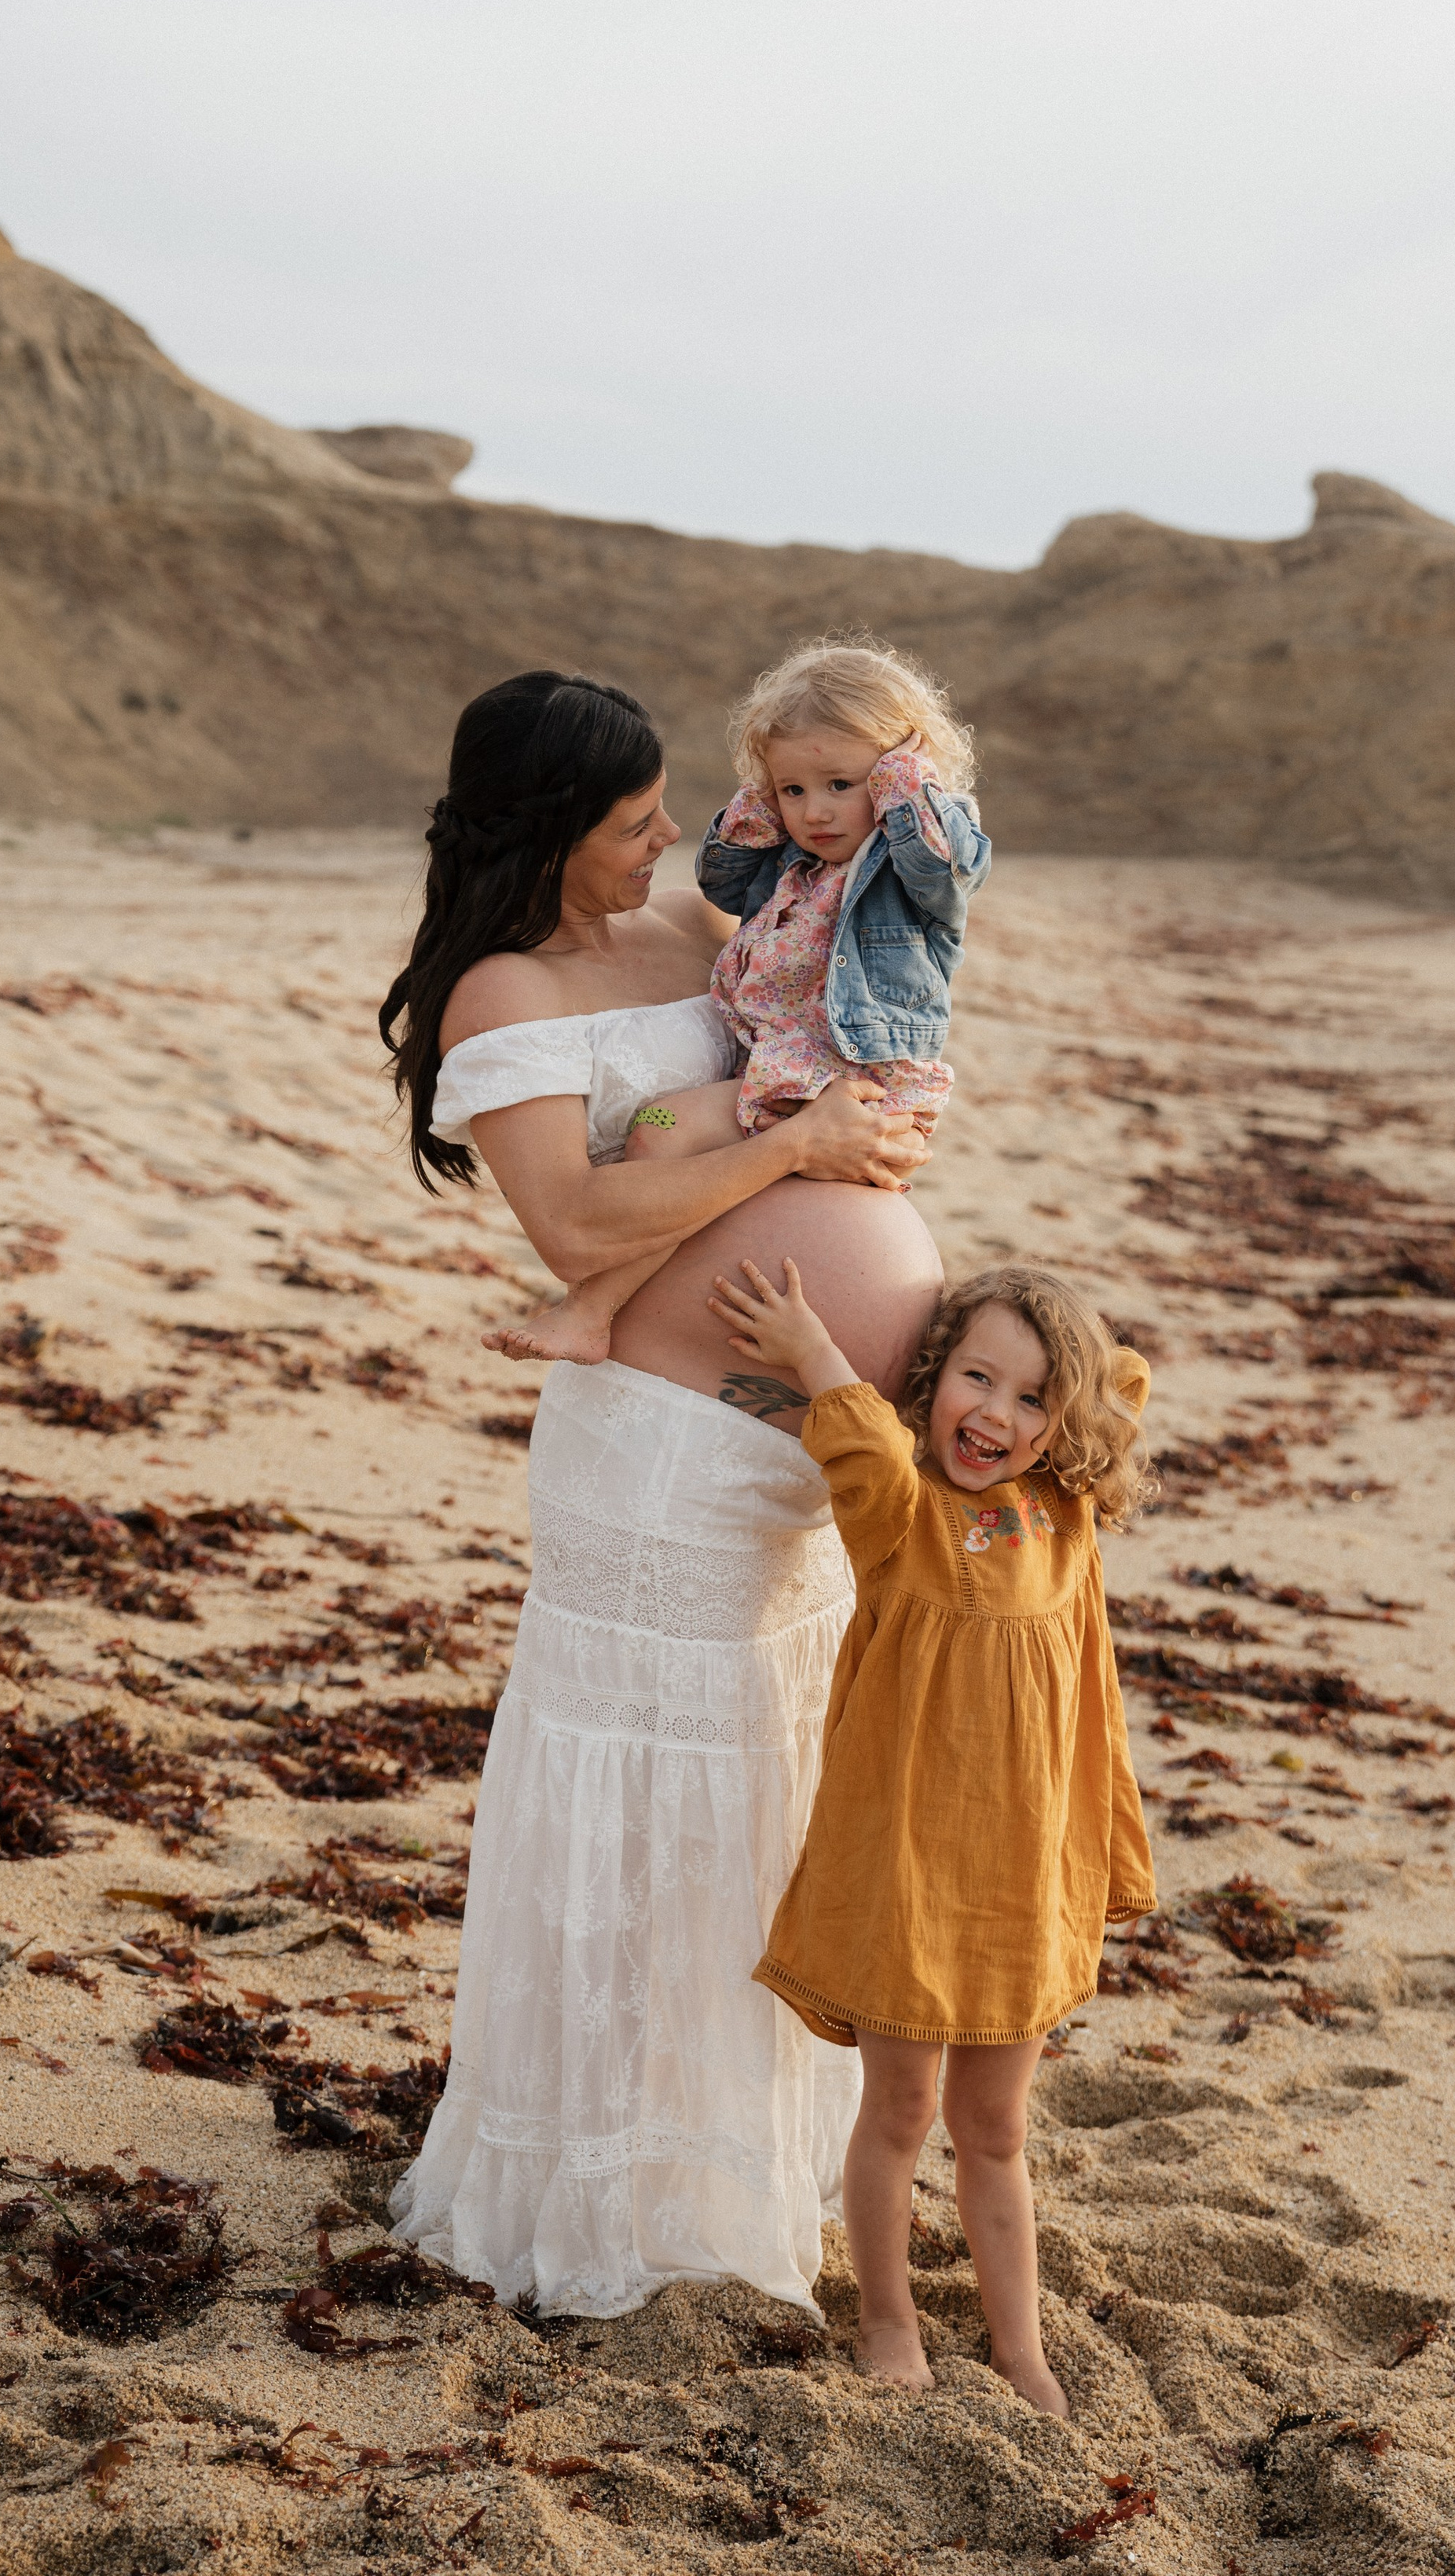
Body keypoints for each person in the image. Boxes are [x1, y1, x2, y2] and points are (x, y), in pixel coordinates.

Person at [378, 668, 947, 2319]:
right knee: (648, 1800)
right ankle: (619, 2186)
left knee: (765, 1793)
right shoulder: (499, 995)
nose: (669, 843)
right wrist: (796, 1153)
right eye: (633, 824)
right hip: (657, 1454)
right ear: (555, 829)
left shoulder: (699, 931)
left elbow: (818, 1022)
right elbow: (578, 1232)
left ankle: (747, 2156)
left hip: (803, 1444)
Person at [708, 1255, 1156, 2416]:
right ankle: (890, 2315)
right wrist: (810, 1348)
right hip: (910, 1875)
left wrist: (1084, 1385)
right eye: (975, 1377)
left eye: (1029, 1398)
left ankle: (1021, 2347)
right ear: (934, 1378)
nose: (994, 1415)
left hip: (1022, 1884)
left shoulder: (1064, 1515)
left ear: (1062, 1426)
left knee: (996, 2128)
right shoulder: (901, 1517)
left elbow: (1126, 1387)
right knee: (900, 2113)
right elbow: (852, 1433)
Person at [493, 637, 989, 1366]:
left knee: (662, 1133)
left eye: (841, 785)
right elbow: (721, 878)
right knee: (657, 1125)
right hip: (784, 1078)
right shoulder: (800, 866)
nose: (815, 812)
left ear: (893, 777)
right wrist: (768, 792)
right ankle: (599, 1304)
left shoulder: (910, 876)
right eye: (793, 790)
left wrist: (902, 777)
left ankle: (592, 1310)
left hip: (846, 1087)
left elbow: (945, 861)